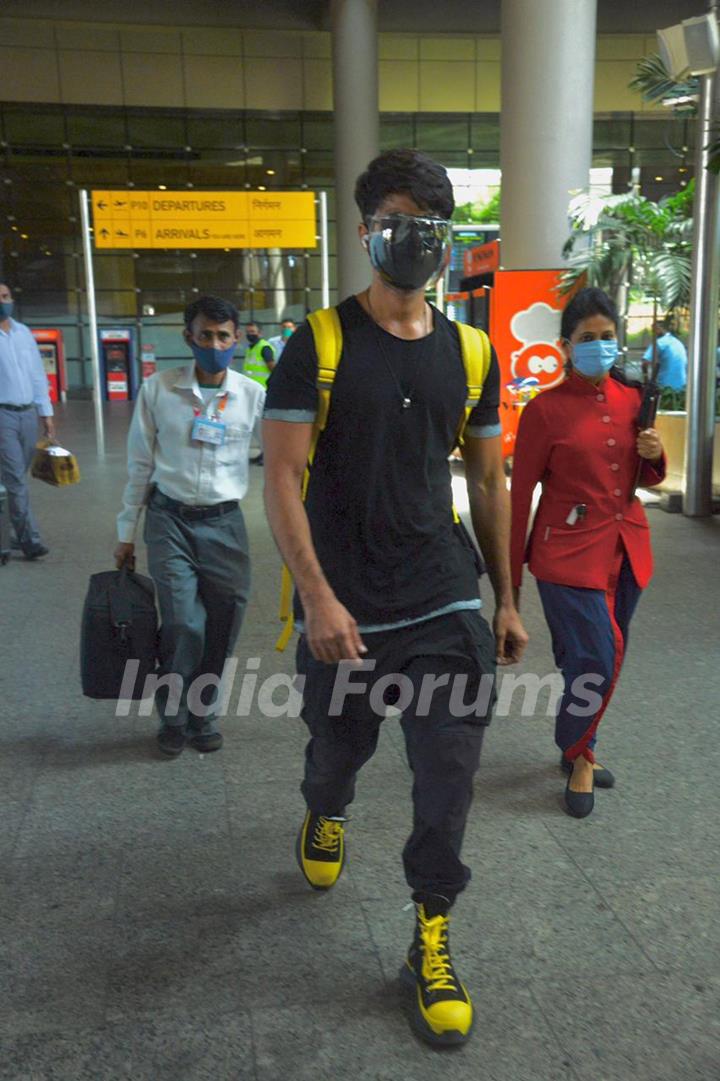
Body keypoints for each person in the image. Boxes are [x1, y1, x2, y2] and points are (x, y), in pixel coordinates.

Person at [263, 149, 528, 1048]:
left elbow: (488, 484)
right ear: (366, 228)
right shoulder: (320, 343)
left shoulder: (474, 349)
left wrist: (504, 597)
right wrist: (318, 598)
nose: (411, 236)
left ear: (447, 237)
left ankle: (432, 933)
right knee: (340, 751)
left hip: (442, 595)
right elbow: (284, 479)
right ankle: (324, 805)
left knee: (449, 770)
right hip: (347, 607)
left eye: (428, 221)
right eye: (394, 219)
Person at [510, 287, 666, 819]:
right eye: (587, 339)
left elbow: (637, 476)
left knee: (591, 660)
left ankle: (583, 745)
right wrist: (508, 592)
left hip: (626, 547)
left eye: (607, 338)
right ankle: (577, 752)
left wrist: (655, 453)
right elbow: (517, 499)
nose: (599, 347)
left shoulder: (631, 400)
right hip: (565, 557)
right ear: (565, 345)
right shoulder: (543, 410)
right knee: (598, 655)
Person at [114, 295, 264, 757]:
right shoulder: (159, 390)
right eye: (205, 335)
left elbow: (281, 459)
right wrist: (125, 531)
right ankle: (173, 713)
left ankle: (204, 712)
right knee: (182, 622)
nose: (215, 344)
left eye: (223, 336)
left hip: (225, 523)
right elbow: (139, 464)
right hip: (169, 519)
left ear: (236, 339)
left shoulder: (252, 397)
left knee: (224, 622)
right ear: (189, 338)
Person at [0, 281, 55, 560]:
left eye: (6, 296)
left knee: (15, 478)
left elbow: (37, 374)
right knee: (15, 481)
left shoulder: (23, 333)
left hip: (28, 414)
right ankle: (29, 539)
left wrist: (46, 413)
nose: (3, 301)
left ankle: (9, 533)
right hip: (2, 415)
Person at [642, 319, 687, 390]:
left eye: (654, 331)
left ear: (659, 329)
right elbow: (658, 364)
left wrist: (646, 378)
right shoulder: (677, 342)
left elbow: (645, 363)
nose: (653, 334)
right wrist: (653, 379)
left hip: (666, 386)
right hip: (682, 384)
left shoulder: (659, 343)